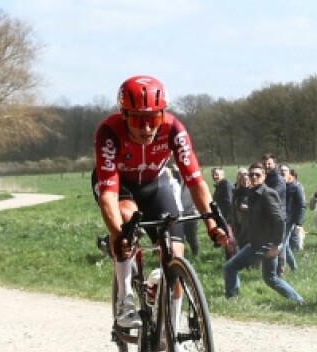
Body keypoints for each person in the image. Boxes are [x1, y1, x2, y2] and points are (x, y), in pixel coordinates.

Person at [93, 75, 228, 329]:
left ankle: (172, 329)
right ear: (123, 115)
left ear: (163, 115)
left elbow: (196, 181)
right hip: (120, 185)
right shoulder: (109, 132)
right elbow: (108, 195)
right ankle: (125, 300)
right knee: (126, 217)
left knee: (176, 254)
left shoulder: (174, 129)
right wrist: (118, 235)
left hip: (155, 185)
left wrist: (212, 223)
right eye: (136, 120)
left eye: (153, 120)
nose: (145, 129)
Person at [222, 164, 305, 304]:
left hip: (265, 245)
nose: (254, 177)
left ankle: (232, 299)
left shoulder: (267, 193)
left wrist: (275, 246)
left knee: (230, 267)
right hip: (257, 243)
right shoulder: (253, 193)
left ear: (264, 177)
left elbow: (279, 221)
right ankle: (300, 302)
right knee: (271, 279)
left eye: (258, 175)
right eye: (251, 174)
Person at [279, 164, 307, 271]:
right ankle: (294, 268)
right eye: (280, 171)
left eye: (284, 171)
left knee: (282, 244)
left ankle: (282, 268)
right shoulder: (280, 186)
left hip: (290, 220)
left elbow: (302, 205)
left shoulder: (296, 187)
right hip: (281, 219)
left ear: (290, 173)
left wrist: (299, 223)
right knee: (284, 245)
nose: (282, 173)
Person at [211, 167, 236, 255]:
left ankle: (233, 262)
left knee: (230, 241)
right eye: (213, 174)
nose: (215, 176)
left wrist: (227, 221)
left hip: (227, 219)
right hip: (222, 218)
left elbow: (229, 203)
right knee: (226, 241)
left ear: (223, 175)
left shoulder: (226, 185)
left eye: (217, 174)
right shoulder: (219, 186)